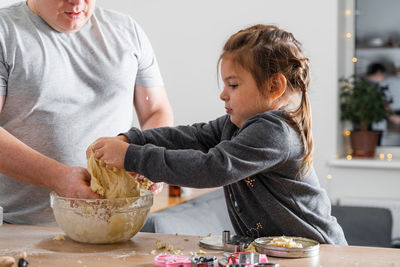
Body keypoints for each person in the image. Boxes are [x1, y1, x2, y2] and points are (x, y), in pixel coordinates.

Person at [88, 24, 347, 244]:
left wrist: (132, 156)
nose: (223, 94)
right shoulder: (236, 125)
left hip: (315, 251)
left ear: (274, 85)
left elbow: (213, 167)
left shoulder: (275, 131)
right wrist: (132, 139)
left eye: (233, 85)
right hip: (274, 252)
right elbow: (192, 137)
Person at [0, 0, 173, 225]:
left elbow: (156, 110)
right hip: (23, 228)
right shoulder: (5, 32)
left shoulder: (127, 30)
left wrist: (146, 158)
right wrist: (58, 178)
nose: (77, 2)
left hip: (118, 224)